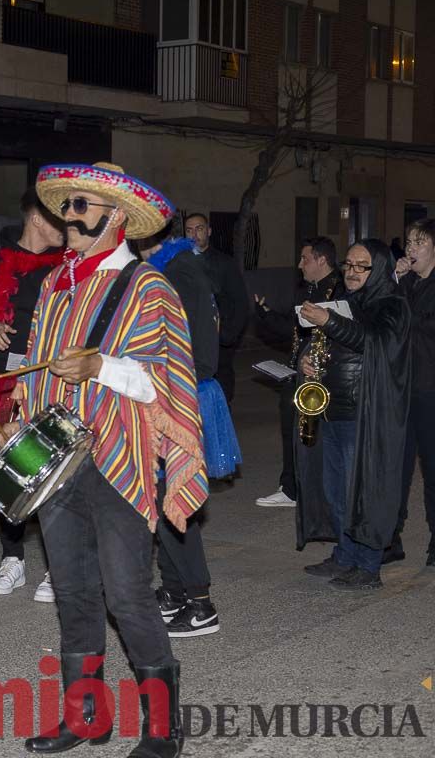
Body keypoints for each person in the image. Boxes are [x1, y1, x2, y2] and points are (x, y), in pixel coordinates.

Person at [7, 163, 206, 756]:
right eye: (66, 205)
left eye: (83, 206)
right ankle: (84, 718)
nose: (68, 215)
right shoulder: (54, 285)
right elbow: (37, 367)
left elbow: (164, 383)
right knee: (72, 591)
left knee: (126, 594)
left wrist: (100, 367)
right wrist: (24, 409)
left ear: (116, 218)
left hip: (119, 458)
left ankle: (163, 726)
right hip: (56, 459)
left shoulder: (149, 287)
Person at [0, 192, 63, 599]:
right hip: (4, 381)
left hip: (51, 382)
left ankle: (58, 565)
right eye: (58, 219)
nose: (67, 228)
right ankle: (13, 558)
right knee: (9, 475)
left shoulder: (67, 268)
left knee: (53, 473)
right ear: (36, 217)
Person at [297, 240, 410, 590]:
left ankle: (368, 565)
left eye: (362, 265)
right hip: (331, 409)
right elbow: (332, 345)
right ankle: (345, 556)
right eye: (348, 264)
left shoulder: (392, 305)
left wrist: (329, 320)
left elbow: (371, 342)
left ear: (377, 269)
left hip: (364, 414)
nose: (352, 271)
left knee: (363, 491)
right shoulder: (348, 303)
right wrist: (307, 359)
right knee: (336, 492)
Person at [135, 230, 232, 638]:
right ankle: (174, 591)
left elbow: (189, 351)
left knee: (172, 498)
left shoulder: (176, 273)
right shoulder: (177, 268)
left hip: (177, 399)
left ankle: (200, 602)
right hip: (175, 394)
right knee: (161, 501)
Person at [252, 238, 342, 508]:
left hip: (322, 377)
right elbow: (294, 330)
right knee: (294, 431)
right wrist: (266, 314)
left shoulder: (338, 291)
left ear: (321, 260)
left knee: (316, 436)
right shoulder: (310, 290)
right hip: (298, 373)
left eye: (305, 259)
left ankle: (308, 490)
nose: (300, 265)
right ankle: (291, 487)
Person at [390, 219, 435, 566]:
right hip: (404, 388)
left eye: (419, 242)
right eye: (408, 242)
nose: (411, 249)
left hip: (431, 391)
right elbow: (390, 321)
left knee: (432, 470)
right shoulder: (405, 283)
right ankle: (391, 536)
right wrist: (396, 280)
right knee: (396, 467)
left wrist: (403, 288)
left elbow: (417, 323)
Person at [185, 214, 248, 404]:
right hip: (189, 342)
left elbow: (240, 303)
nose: (194, 234)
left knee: (220, 391)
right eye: (189, 230)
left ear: (209, 231)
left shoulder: (225, 263)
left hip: (219, 343)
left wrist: (227, 335)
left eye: (199, 229)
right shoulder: (180, 262)